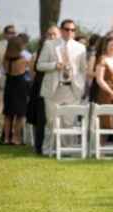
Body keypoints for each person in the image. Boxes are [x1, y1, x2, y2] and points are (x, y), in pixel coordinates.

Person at [37, 19, 87, 155]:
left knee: (69, 121)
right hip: (54, 88)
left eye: (72, 30)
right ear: (61, 29)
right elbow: (39, 65)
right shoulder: (49, 44)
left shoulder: (80, 47)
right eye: (66, 29)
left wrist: (80, 85)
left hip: (72, 88)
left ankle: (67, 150)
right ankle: (48, 150)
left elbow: (83, 70)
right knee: (51, 121)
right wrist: (54, 65)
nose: (69, 32)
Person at [26, 26, 60, 154]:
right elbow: (33, 71)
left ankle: (55, 146)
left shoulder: (60, 50)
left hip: (57, 89)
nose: (51, 37)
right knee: (40, 119)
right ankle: (39, 147)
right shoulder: (39, 52)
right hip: (41, 87)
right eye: (49, 34)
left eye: (54, 34)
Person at [2, 36, 29, 145]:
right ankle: (16, 138)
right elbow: (27, 70)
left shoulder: (5, 58)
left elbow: (3, 70)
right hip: (20, 86)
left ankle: (6, 138)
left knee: (8, 114)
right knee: (20, 114)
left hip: (9, 85)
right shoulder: (23, 59)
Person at [95, 36, 113, 131]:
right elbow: (99, 80)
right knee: (106, 122)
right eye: (111, 45)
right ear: (106, 46)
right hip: (106, 95)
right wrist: (112, 93)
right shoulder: (102, 59)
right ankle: (100, 145)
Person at [0, 25, 16, 139]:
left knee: (12, 107)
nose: (12, 34)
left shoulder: (17, 46)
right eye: (9, 32)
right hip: (0, 81)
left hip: (15, 81)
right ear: (4, 33)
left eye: (13, 33)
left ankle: (10, 132)